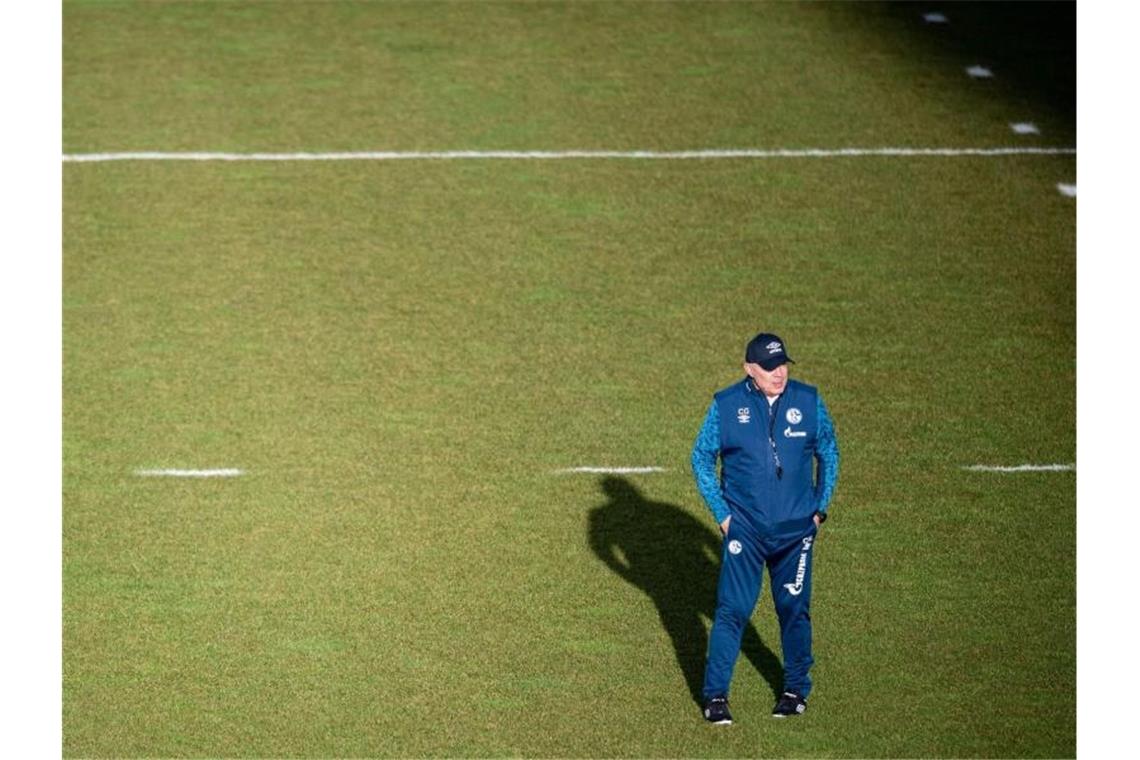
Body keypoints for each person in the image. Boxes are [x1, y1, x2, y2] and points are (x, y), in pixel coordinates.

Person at [691, 332, 839, 724]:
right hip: (747, 532)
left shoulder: (808, 401)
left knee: (793, 609)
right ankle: (716, 696)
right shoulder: (726, 406)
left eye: (784, 364)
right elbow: (701, 457)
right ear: (749, 370)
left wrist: (820, 508)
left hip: (796, 534)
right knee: (732, 610)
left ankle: (794, 690)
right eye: (771, 367)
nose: (780, 373)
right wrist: (723, 515)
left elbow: (829, 450)